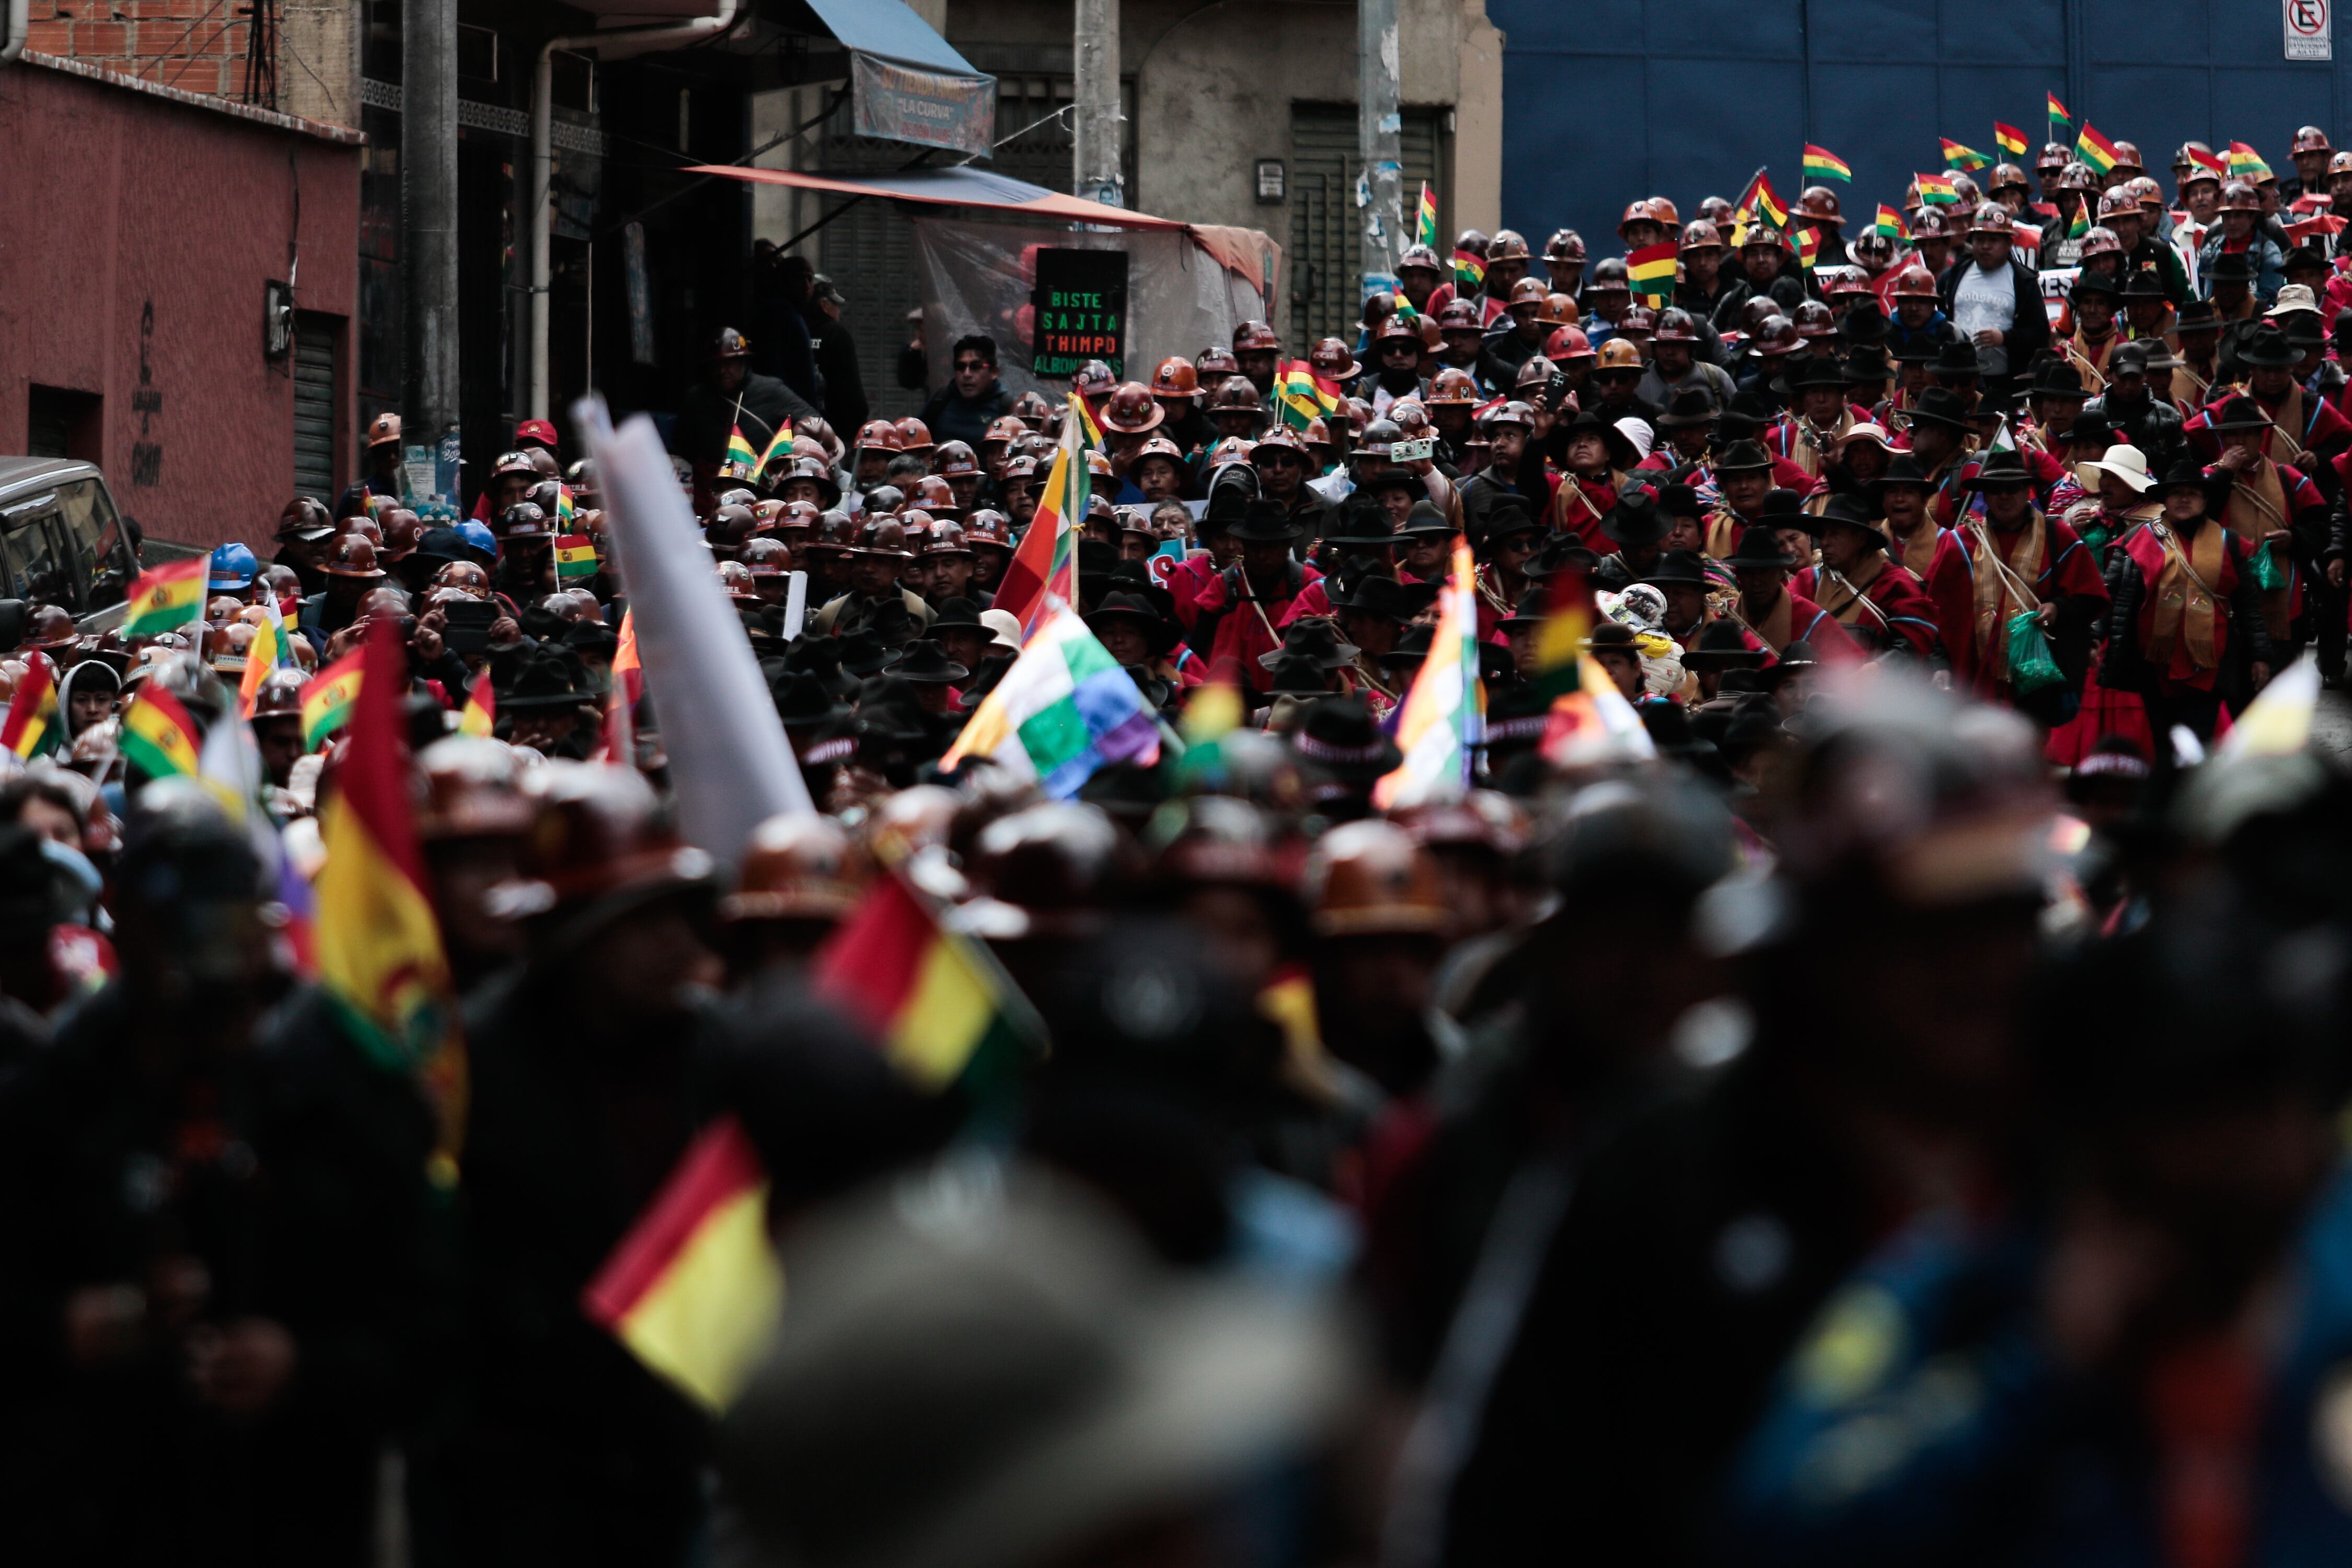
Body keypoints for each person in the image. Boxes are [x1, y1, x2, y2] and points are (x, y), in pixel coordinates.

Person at [674, 327, 820, 512]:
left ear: (743, 362)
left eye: (731, 363)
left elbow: (814, 421)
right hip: (709, 501)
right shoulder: (696, 400)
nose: (723, 371)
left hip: (761, 499)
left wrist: (797, 443)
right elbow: (682, 445)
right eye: (717, 365)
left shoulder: (771, 391)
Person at [916, 333, 1015, 447]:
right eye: (961, 367)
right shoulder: (941, 401)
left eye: (976, 367)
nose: (967, 374)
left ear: (994, 372)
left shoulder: (1006, 407)